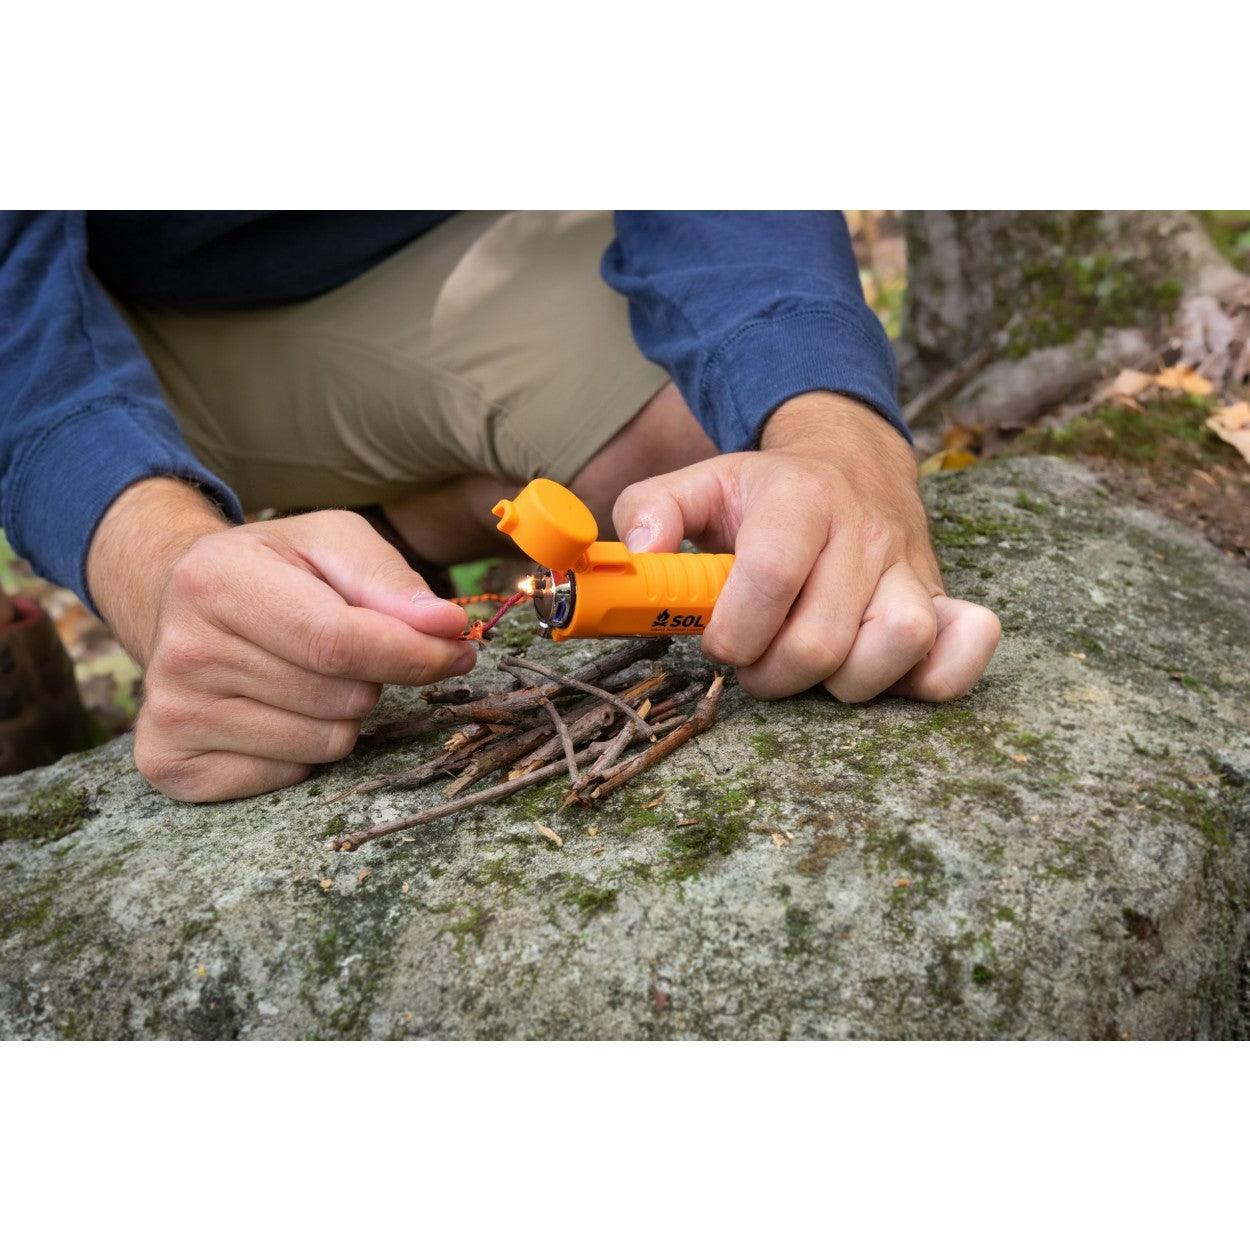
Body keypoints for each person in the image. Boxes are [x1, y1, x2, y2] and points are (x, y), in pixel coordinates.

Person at [0, 211, 1000, 801]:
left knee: (711, 472)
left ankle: (428, 524)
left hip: (439, 231)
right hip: (110, 291)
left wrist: (834, 438)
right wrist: (159, 560)